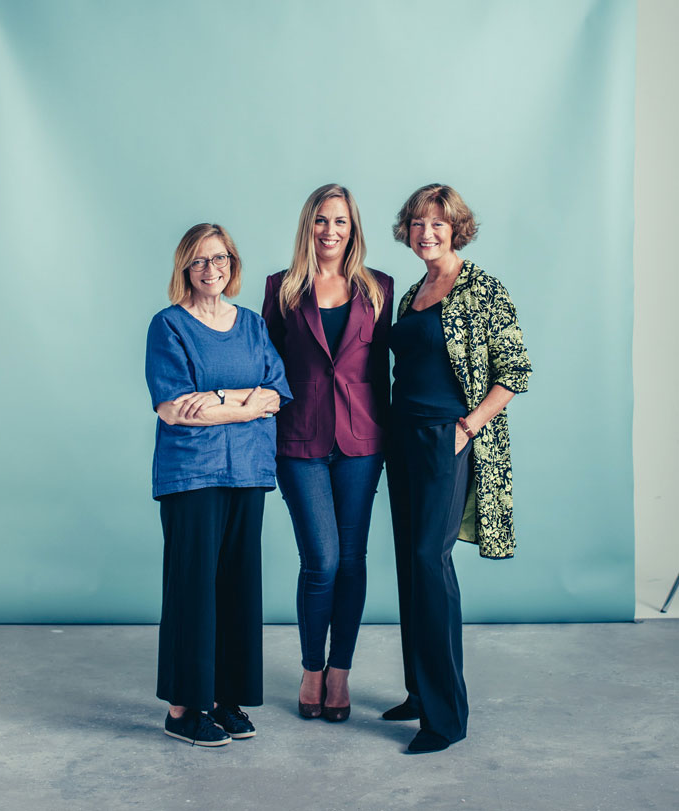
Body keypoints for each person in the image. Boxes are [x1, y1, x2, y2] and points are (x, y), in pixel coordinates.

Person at [385, 184, 532, 754]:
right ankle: (420, 692)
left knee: (430, 559)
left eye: (438, 224)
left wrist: (466, 428)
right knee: (408, 563)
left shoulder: (483, 288)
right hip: (402, 437)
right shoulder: (411, 294)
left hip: (450, 438)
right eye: (418, 224)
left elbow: (514, 372)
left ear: (456, 229)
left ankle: (446, 718)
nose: (427, 233)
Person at [145, 222, 291, 747]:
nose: (213, 269)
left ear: (233, 263)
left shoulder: (251, 323)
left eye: (221, 258)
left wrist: (220, 400)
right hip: (191, 476)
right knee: (193, 589)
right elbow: (174, 408)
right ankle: (184, 709)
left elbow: (276, 395)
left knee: (236, 587)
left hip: (248, 471)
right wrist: (244, 402)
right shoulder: (168, 326)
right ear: (186, 268)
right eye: (201, 261)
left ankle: (224, 699)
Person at [263, 183, 393, 722]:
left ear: (353, 228)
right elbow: (267, 366)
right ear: (307, 226)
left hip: (362, 442)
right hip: (300, 442)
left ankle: (340, 672)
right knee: (322, 561)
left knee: (354, 560)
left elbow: (388, 366)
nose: (330, 231)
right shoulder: (281, 288)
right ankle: (311, 667)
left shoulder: (379, 287)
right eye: (321, 220)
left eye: (340, 222)